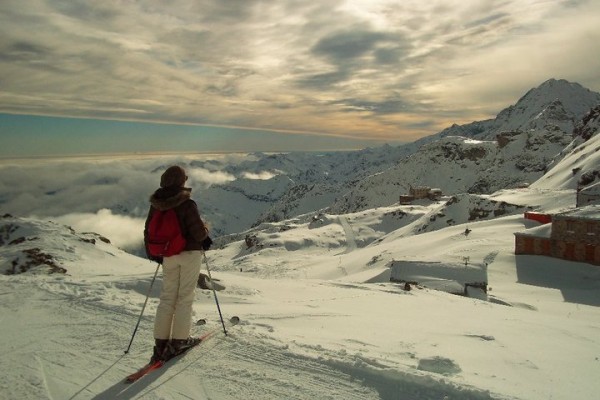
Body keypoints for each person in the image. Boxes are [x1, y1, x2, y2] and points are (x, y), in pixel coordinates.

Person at [144, 165, 210, 362]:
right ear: (182, 181)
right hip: (189, 254)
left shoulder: (155, 204)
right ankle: (180, 341)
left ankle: (161, 344)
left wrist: (155, 253)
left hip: (167, 254)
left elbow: (147, 231)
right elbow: (198, 232)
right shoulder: (187, 203)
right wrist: (206, 234)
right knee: (185, 297)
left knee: (167, 298)